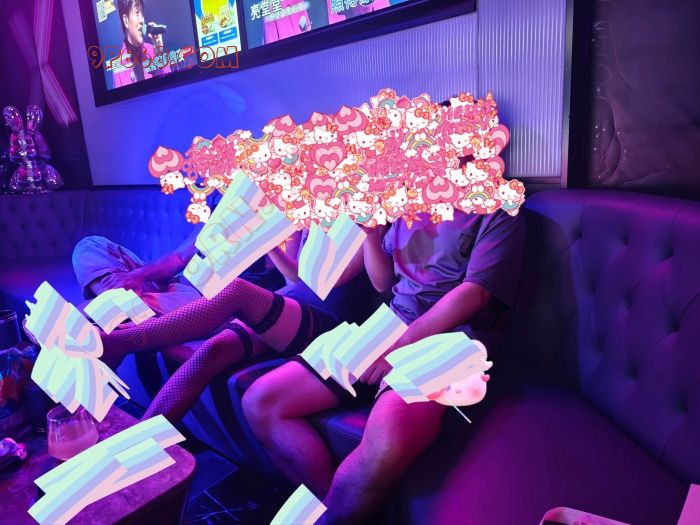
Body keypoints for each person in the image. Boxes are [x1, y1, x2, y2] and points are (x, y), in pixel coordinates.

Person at [242, 207, 526, 524]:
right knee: (262, 402)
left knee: (389, 442)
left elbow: (475, 294)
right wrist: (370, 238)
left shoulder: (499, 212)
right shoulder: (410, 203)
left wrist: (399, 347)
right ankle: (331, 511)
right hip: (392, 321)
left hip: (456, 336)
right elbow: (383, 283)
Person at [95, 228, 375, 424]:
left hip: (330, 320)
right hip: (291, 306)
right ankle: (141, 444)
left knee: (237, 291)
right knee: (213, 351)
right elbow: (292, 277)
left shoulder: (364, 218)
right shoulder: (306, 213)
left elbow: (328, 280)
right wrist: (272, 243)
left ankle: (116, 343)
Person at [72, 193, 284, 316]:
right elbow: (179, 257)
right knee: (88, 245)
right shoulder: (223, 206)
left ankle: (107, 307)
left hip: (204, 298)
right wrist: (138, 275)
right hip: (175, 284)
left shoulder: (278, 223)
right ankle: (114, 299)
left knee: (123, 310)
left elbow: (286, 283)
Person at [113, 0, 171, 88]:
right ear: (126, 20)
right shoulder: (118, 66)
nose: (142, 20)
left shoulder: (152, 50)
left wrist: (159, 53)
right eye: (137, 13)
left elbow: (170, 85)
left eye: (142, 14)